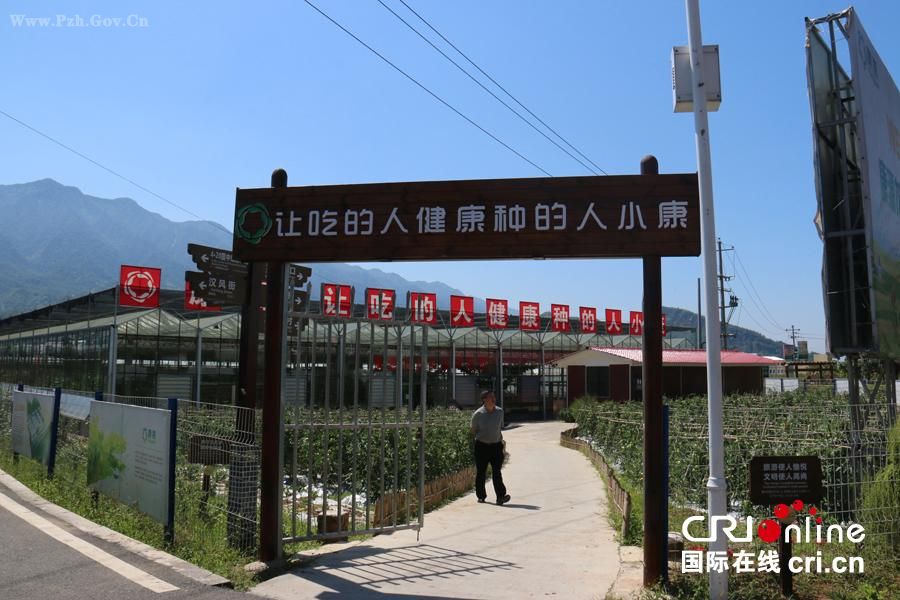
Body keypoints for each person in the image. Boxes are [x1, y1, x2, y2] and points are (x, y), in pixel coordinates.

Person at [471, 390, 510, 505]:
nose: (493, 399)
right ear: (484, 399)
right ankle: (481, 496)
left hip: (496, 446)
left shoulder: (500, 412)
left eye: (494, 396)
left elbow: (499, 428)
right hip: (481, 447)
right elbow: (473, 430)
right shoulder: (478, 414)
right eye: (490, 397)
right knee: (481, 472)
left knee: (497, 472)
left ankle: (501, 496)